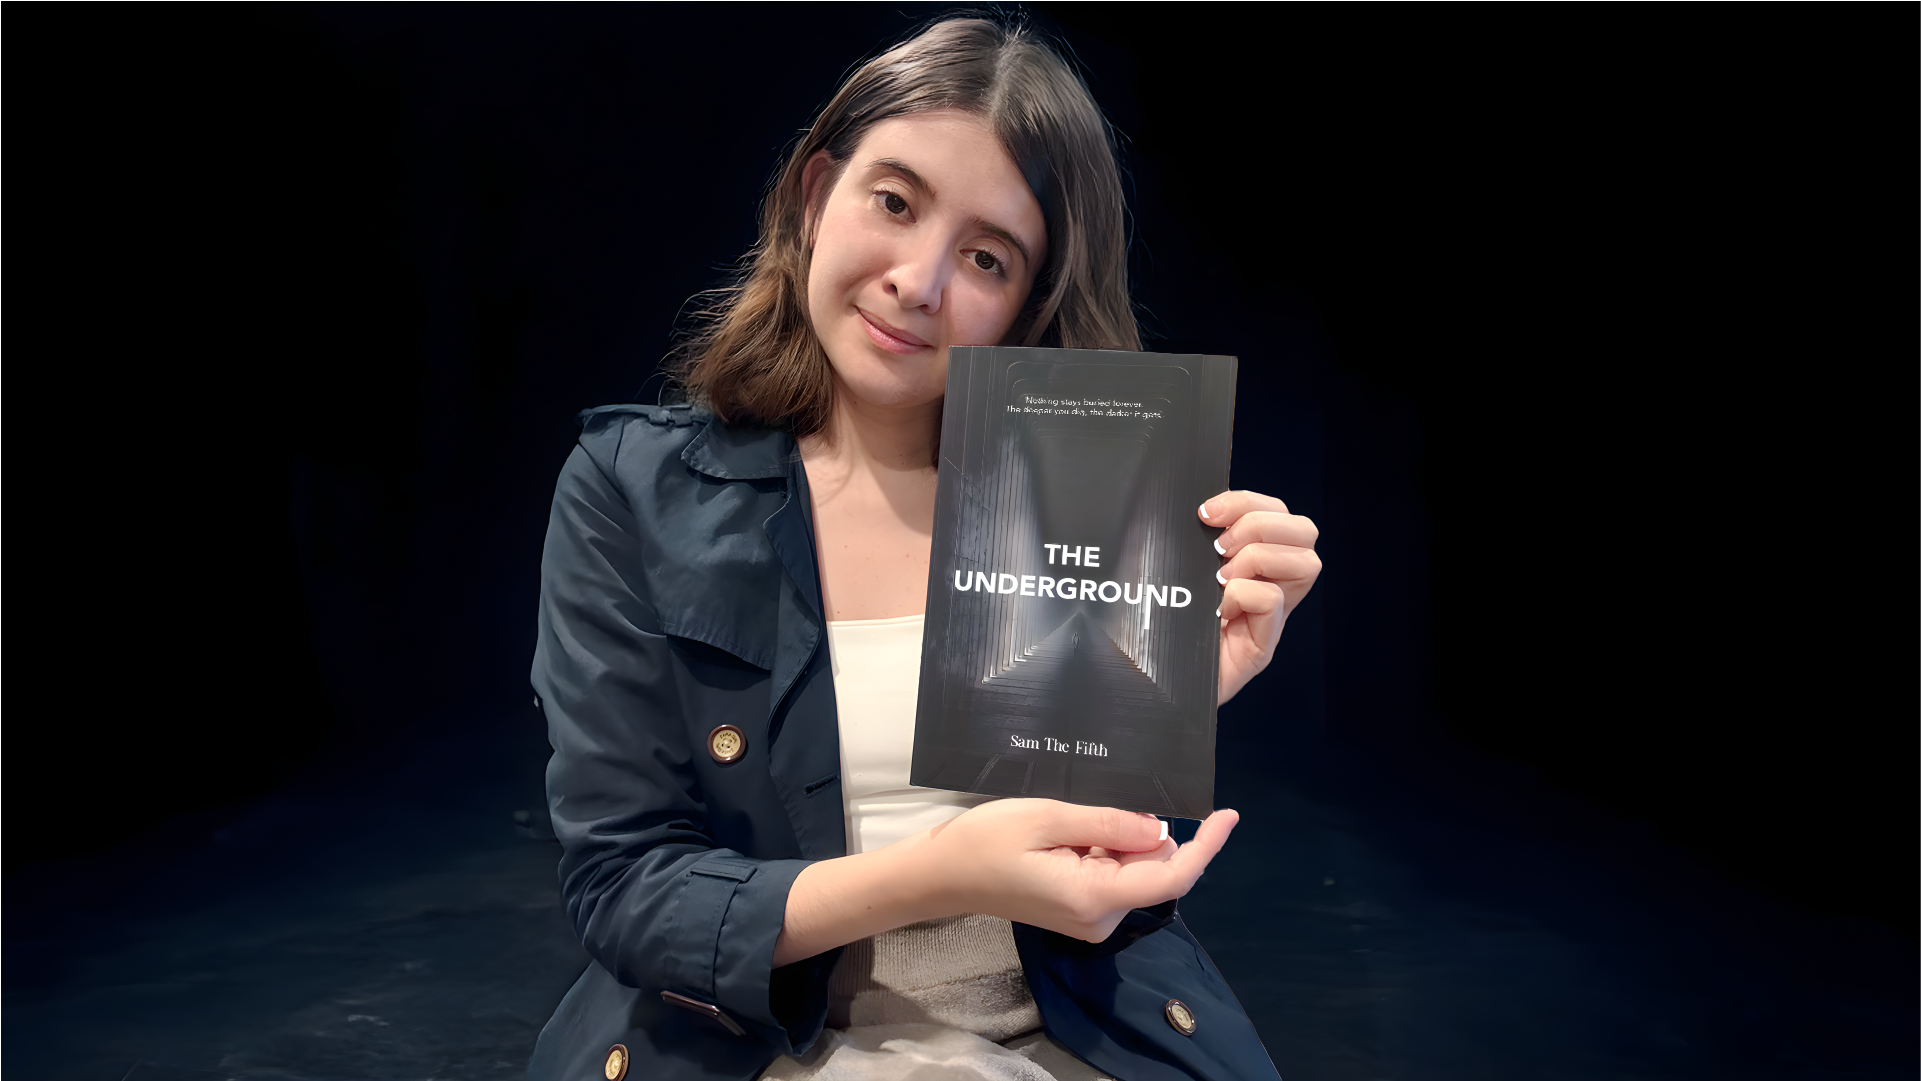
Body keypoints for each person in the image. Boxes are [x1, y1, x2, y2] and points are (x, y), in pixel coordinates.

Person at [527, 17, 1321, 1081]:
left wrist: (1173, 695)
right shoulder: (630, 487)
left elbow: (1097, 889)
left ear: (1026, 302)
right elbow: (625, 888)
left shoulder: (1087, 497)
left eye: (985, 257)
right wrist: (943, 873)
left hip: (1063, 1044)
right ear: (816, 196)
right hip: (755, 1049)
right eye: (893, 202)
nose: (919, 279)